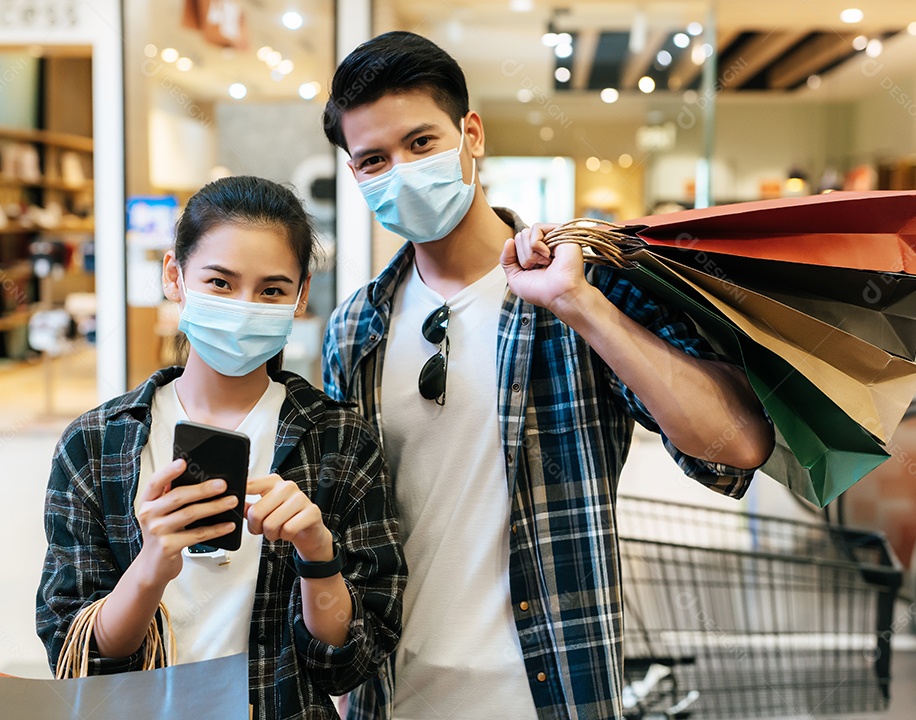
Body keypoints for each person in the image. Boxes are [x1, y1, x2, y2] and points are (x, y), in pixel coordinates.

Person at [321, 31, 774, 719]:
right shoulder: (355, 328)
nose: (402, 171)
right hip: (390, 693)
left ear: (471, 134)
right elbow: (349, 530)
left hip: (545, 687)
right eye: (374, 159)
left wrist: (581, 306)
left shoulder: (584, 284)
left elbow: (736, 446)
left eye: (421, 143)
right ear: (355, 175)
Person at [37, 176, 405, 719]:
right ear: (174, 276)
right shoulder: (95, 444)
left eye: (272, 290)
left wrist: (316, 553)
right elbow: (77, 658)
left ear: (301, 295)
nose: (244, 307)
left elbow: (347, 666)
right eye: (220, 283)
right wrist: (150, 567)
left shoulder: (338, 441)